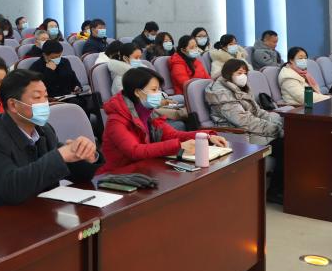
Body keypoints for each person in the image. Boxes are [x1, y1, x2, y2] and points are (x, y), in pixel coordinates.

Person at [0, 70, 102, 217]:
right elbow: (12, 189)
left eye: (46, 96)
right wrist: (60, 156)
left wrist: (86, 156)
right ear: (13, 105)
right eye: (37, 97)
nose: (45, 103)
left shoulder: (45, 130)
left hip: (37, 212)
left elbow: (72, 172)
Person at [98, 67, 226, 174]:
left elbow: (172, 134)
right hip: (119, 176)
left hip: (143, 171)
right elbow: (135, 151)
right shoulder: (116, 120)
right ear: (137, 92)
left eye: (159, 89)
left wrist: (206, 136)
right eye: (154, 90)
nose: (159, 94)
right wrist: (179, 146)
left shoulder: (149, 113)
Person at [205, 59, 285, 202]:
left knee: (290, 140)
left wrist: (277, 123)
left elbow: (257, 111)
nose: (243, 76)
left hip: (252, 129)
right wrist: (274, 129)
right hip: (239, 134)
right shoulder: (221, 92)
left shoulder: (240, 88)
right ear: (229, 73)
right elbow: (243, 121)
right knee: (285, 146)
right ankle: (275, 191)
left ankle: (284, 188)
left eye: (245, 73)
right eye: (239, 72)